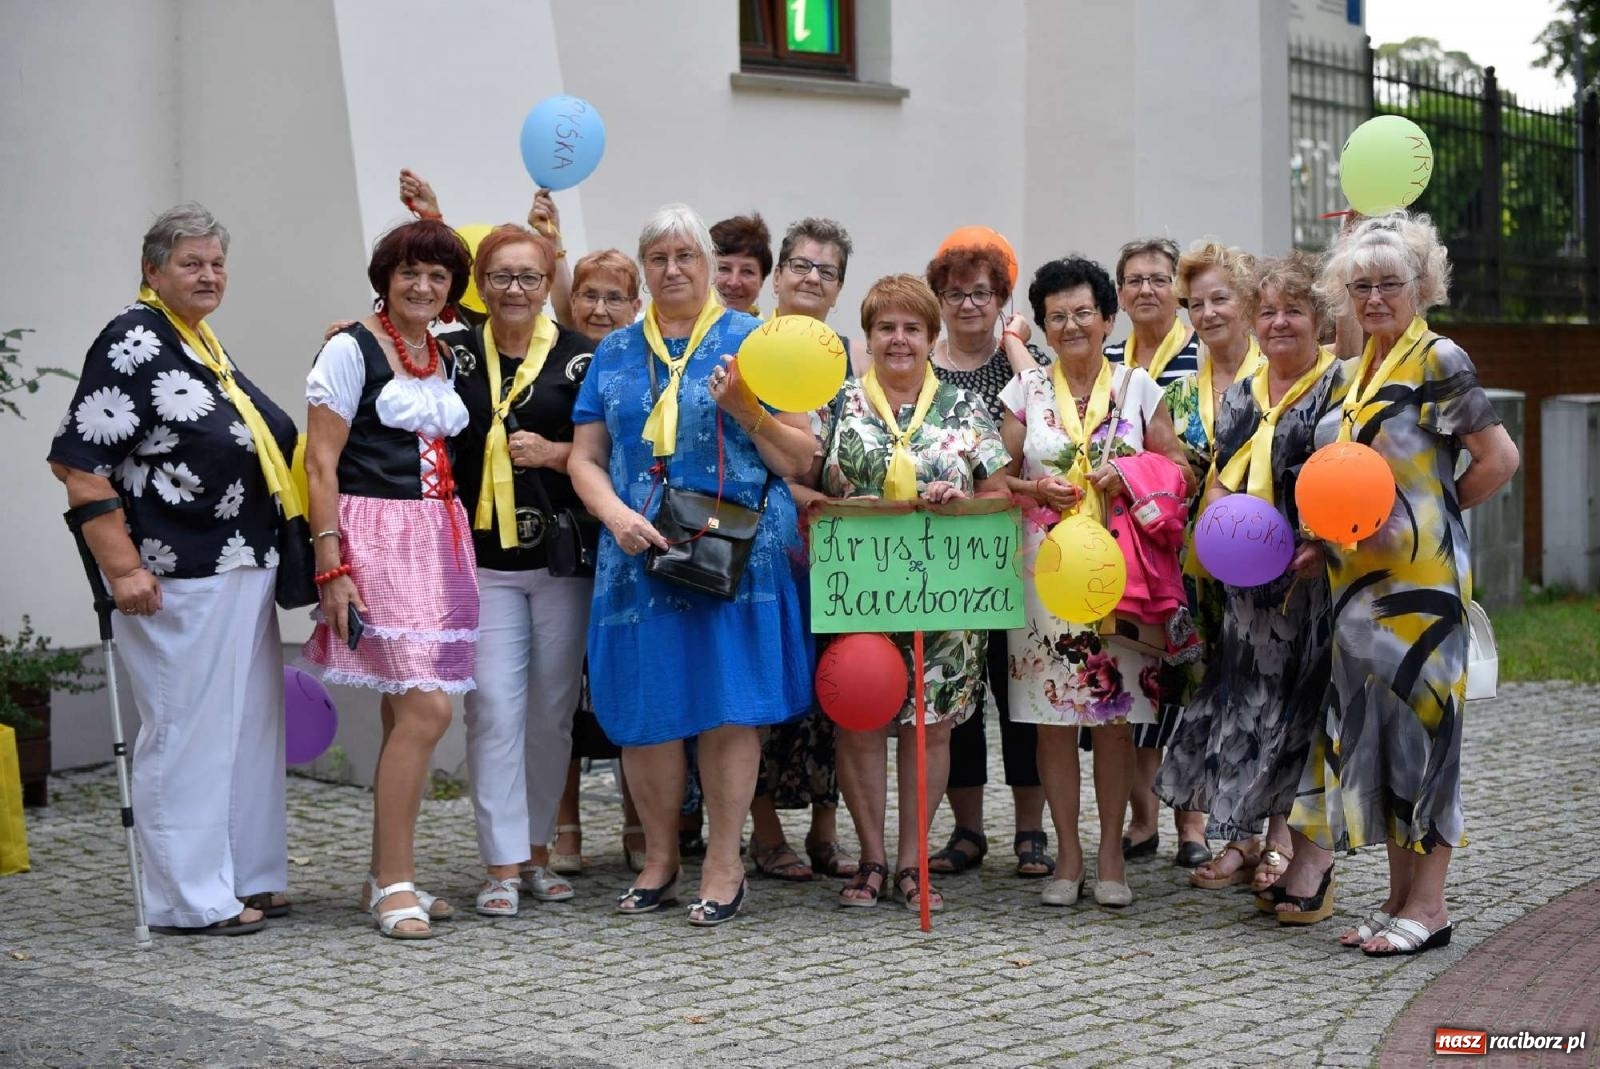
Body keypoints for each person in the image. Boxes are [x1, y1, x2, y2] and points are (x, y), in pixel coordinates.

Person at [47, 202, 300, 936]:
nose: (209, 274)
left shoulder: (197, 343)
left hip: (237, 566)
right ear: (152, 270)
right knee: (188, 730)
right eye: (192, 263)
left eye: (217, 263)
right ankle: (189, 897)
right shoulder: (135, 338)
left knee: (247, 727)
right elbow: (80, 462)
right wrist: (121, 568)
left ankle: (248, 872)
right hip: (175, 573)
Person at [1274, 213, 1518, 952]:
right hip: (1355, 589)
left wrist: (1431, 519)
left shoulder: (1440, 358)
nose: (1375, 297)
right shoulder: (1353, 370)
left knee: (1427, 737)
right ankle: (1395, 900)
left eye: (1390, 283)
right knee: (1377, 740)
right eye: (1361, 285)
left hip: (1419, 589)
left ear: (1423, 286)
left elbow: (1498, 458)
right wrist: (1330, 542)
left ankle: (1432, 907)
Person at [567, 203, 815, 927]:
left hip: (733, 549)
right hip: (636, 549)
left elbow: (800, 455)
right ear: (643, 272)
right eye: (658, 258)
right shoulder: (613, 351)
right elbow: (585, 457)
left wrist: (748, 409)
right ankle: (660, 857)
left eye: (686, 256)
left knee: (728, 703)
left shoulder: (756, 342)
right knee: (647, 711)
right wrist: (613, 514)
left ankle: (725, 859)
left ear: (709, 268)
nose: (672, 269)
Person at [807, 274, 1011, 912]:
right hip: (858, 589)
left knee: (932, 729)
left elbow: (1002, 495)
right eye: (886, 327)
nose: (899, 339)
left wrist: (965, 498)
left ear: (931, 337)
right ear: (867, 337)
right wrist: (833, 504)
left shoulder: (965, 407)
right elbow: (793, 485)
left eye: (912, 328)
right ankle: (869, 858)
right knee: (860, 724)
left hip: (945, 594)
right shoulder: (835, 403)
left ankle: (911, 863)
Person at [998, 256, 1191, 908]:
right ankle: (1068, 854)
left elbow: (1178, 469)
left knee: (1112, 718)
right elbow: (997, 478)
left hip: (1120, 576)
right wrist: (1033, 484)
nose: (1072, 324)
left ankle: (1112, 853)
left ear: (1108, 318)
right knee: (1052, 720)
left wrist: (1133, 472)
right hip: (1044, 574)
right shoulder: (1025, 392)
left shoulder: (1139, 387)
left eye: (1084, 312)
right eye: (1058, 316)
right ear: (1044, 327)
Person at [303, 219, 477, 939]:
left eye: (438, 275)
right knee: (430, 711)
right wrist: (332, 564)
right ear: (386, 276)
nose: (422, 285)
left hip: (438, 540)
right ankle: (394, 882)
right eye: (410, 271)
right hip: (374, 539)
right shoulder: (349, 349)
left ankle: (387, 871)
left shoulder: (444, 353)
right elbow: (319, 462)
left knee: (407, 709)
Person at [1154, 254, 1342, 896]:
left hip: (1306, 579)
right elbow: (1218, 477)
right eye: (1269, 312)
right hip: (1241, 583)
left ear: (1318, 321)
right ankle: (1240, 838)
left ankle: (1284, 845)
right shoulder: (1240, 396)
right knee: (1242, 707)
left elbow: (1347, 479)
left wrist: (1319, 543)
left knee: (1296, 710)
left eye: (1294, 310)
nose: (1280, 322)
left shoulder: (1334, 391)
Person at [444, 223, 596, 915]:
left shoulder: (581, 359)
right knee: (493, 710)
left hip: (561, 560)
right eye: (501, 276)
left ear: (547, 284)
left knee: (551, 711)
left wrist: (559, 454)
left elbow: (610, 452)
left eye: (528, 277)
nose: (515, 289)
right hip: (482, 564)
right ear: (480, 282)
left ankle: (537, 850)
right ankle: (501, 862)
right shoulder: (449, 357)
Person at [921, 242, 1052, 882]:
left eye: (982, 293)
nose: (969, 304)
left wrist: (1017, 344)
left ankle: (1032, 830)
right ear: (939, 303)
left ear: (1002, 302)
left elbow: (1051, 423)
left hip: (1023, 543)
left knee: (1017, 684)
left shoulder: (1025, 363)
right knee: (957, 691)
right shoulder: (921, 365)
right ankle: (966, 830)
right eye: (956, 294)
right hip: (947, 552)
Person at [746, 217, 861, 883]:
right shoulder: (748, 347)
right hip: (764, 543)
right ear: (777, 275)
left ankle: (825, 829)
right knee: (762, 683)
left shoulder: (853, 357)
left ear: (839, 287)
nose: (812, 277)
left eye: (827, 270)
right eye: (801, 265)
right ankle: (763, 832)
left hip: (838, 550)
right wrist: (792, 494)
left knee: (835, 688)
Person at [1102, 237, 1208, 866]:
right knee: (1134, 679)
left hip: (1189, 541)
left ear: (1178, 289)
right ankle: (1143, 820)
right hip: (1122, 550)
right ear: (1118, 293)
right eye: (1133, 279)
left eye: (1158, 279)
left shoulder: (1200, 356)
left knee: (1185, 681)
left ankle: (1191, 825)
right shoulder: (1107, 358)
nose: (1146, 289)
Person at [553, 248, 646, 874]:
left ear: (635, 305)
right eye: (589, 295)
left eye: (615, 297)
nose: (601, 308)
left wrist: (550, 453)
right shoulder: (552, 358)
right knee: (563, 690)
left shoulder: (639, 359)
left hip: (628, 542)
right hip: (556, 547)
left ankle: (640, 820)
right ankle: (565, 825)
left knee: (629, 683)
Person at [711, 213, 772, 316]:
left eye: (747, 271)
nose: (733, 283)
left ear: (761, 281)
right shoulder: (678, 328)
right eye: (724, 268)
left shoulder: (769, 331)